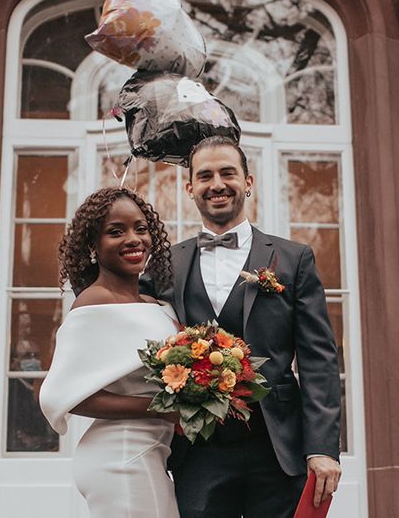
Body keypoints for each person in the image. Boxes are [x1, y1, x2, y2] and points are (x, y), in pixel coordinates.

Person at [143, 136, 343, 518]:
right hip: (199, 452)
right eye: (204, 176)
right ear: (190, 188)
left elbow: (318, 359)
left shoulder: (293, 258)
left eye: (227, 173)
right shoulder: (166, 263)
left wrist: (322, 447)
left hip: (278, 447)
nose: (216, 184)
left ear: (248, 182)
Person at [40, 187, 181, 518]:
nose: (133, 239)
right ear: (93, 246)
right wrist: (162, 409)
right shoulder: (94, 301)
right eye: (116, 231)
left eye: (141, 228)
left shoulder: (153, 304)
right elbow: (61, 396)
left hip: (149, 452)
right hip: (121, 455)